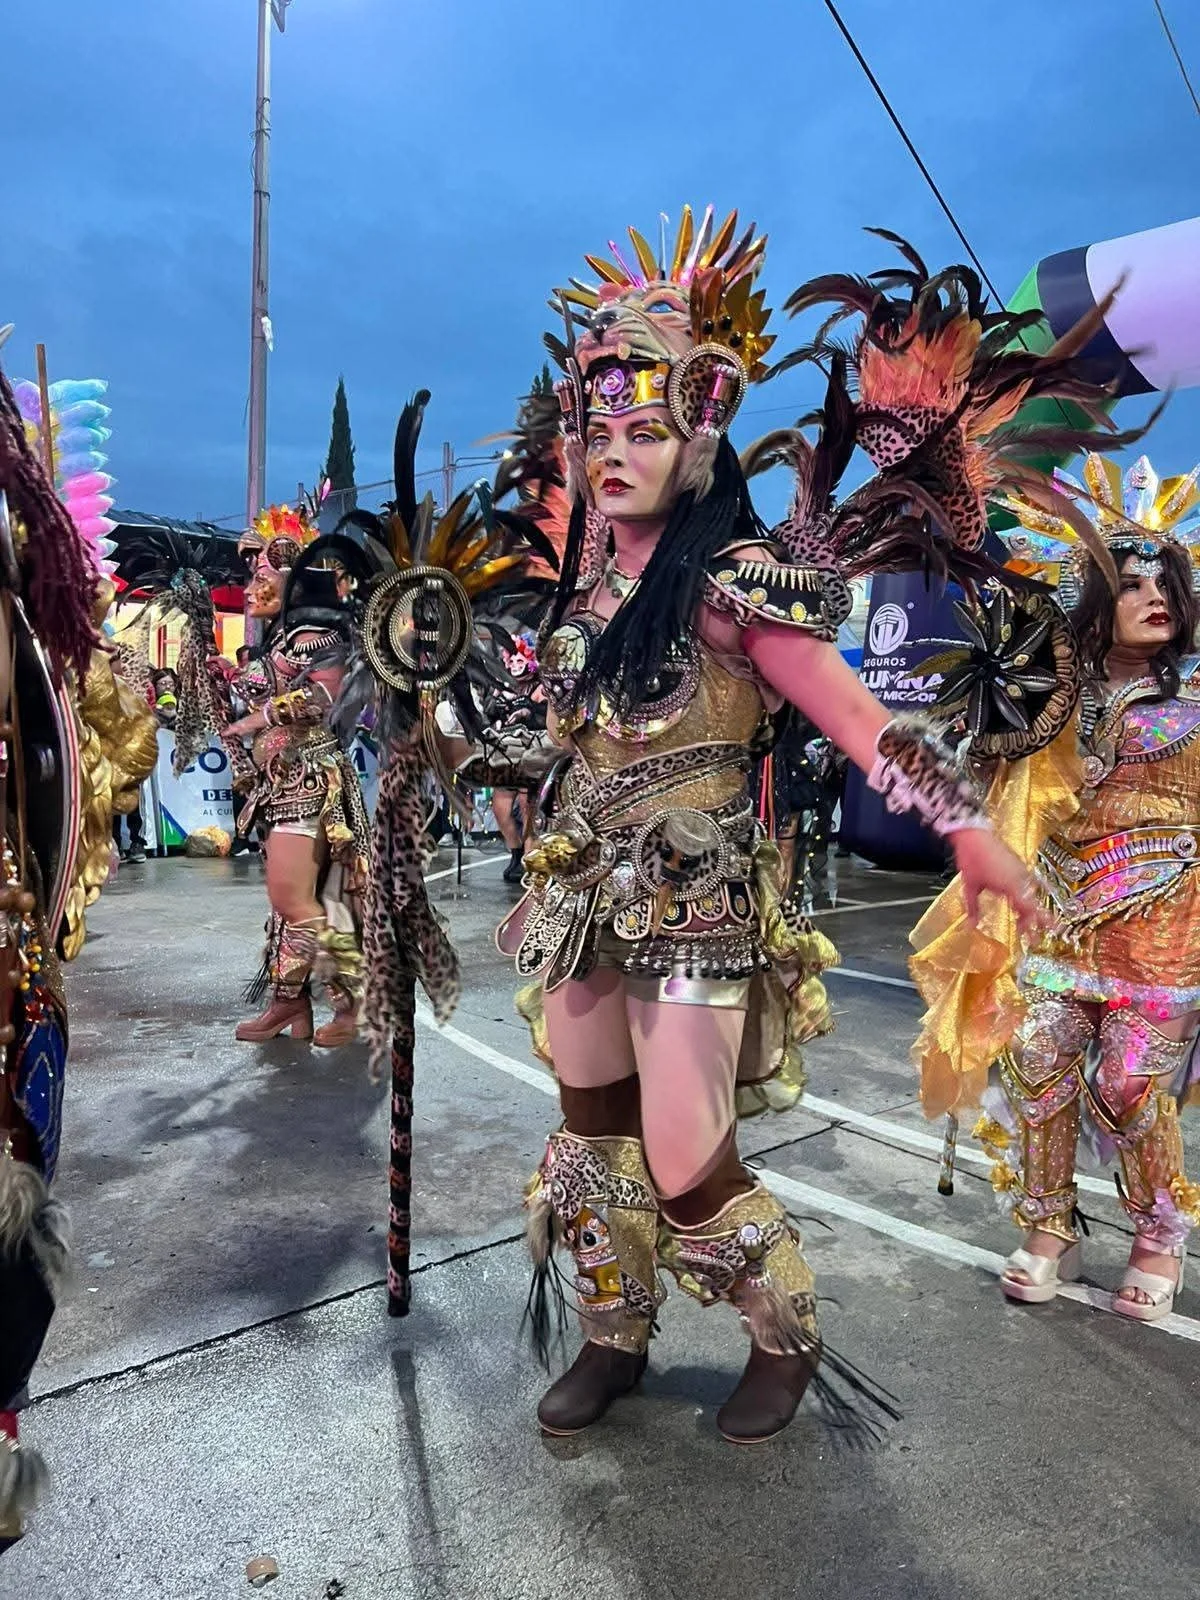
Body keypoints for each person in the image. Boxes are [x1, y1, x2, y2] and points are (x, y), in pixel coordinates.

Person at [499, 209, 1128, 1444]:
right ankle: (612, 1334)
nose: (615, 455)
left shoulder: (737, 582)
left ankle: (782, 1336)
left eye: (645, 430)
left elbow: (866, 724)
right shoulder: (585, 587)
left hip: (696, 895)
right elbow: (561, 736)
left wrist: (967, 832)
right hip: (580, 892)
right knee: (588, 1137)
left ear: (699, 438)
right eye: (600, 432)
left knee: (684, 1154)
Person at [912, 452, 1200, 1322]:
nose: (1154, 595)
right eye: (1130, 581)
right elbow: (973, 772)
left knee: (1128, 1085)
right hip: (1058, 906)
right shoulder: (1052, 699)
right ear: (1092, 598)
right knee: (1037, 1061)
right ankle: (1051, 1231)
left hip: (1169, 919)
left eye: (1168, 582)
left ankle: (1157, 1237)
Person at [222, 508, 369, 1047]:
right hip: (281, 783)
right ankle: (291, 1005)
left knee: (298, 900)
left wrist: (253, 719)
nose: (253, 582)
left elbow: (323, 698)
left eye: (266, 571)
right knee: (294, 903)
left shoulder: (315, 633)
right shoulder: (283, 637)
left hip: (309, 782)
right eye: (252, 572)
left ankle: (350, 1002)